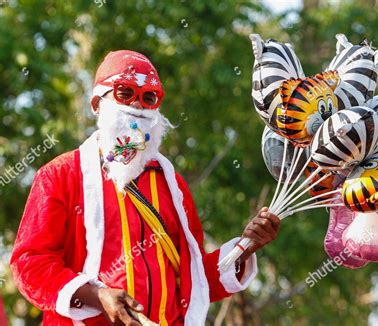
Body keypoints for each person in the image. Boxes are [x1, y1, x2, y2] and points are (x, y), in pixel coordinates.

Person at [10, 50, 280, 325]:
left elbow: (193, 280)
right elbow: (29, 264)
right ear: (96, 103)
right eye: (125, 93)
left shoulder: (173, 185)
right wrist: (96, 295)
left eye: (148, 97)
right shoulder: (59, 175)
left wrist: (246, 246)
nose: (137, 105)